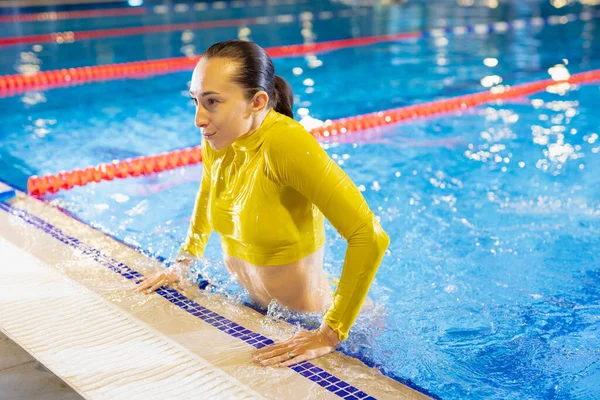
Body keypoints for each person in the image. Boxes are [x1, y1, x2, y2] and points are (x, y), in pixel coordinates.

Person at [134, 39, 390, 367]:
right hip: (257, 309)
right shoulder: (220, 136)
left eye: (212, 102)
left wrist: (331, 332)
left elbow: (369, 235)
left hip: (314, 322)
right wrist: (184, 261)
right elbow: (209, 189)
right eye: (195, 101)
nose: (198, 118)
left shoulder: (287, 145)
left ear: (257, 102)